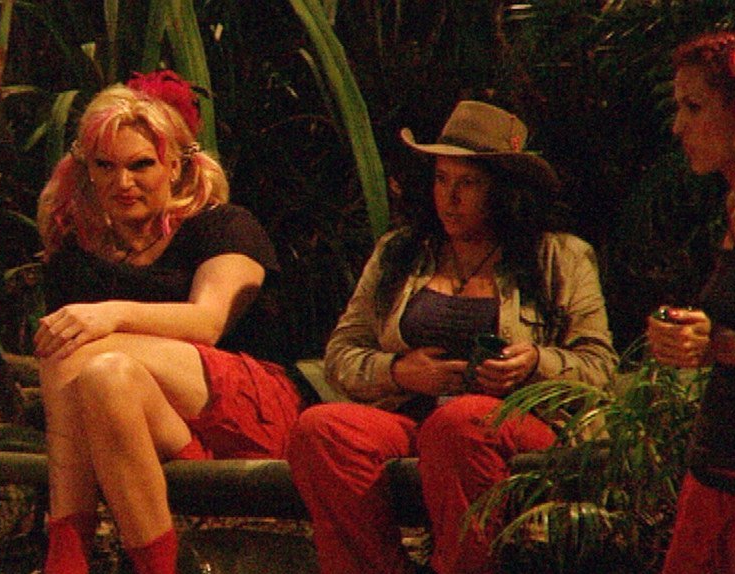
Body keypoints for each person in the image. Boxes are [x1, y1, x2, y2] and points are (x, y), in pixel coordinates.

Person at [286, 100, 618, 574]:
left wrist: (533, 364)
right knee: (321, 429)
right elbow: (341, 353)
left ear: (503, 191)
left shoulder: (559, 257)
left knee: (459, 422)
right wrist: (399, 372)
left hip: (512, 423)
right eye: (441, 180)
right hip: (412, 417)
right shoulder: (400, 253)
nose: (450, 197)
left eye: (468, 183)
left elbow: (600, 368)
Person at [34, 69, 306, 574]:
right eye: (106, 166)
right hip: (162, 429)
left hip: (250, 411)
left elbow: (208, 322)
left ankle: (66, 554)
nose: (123, 183)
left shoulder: (223, 226)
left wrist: (112, 313)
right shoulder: (78, 257)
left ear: (175, 166)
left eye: (140, 164)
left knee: (74, 346)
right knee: (104, 374)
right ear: (87, 170)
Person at [647, 30, 735, 574]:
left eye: (694, 107)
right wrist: (683, 335)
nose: (678, 126)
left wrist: (726, 346)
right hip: (714, 474)